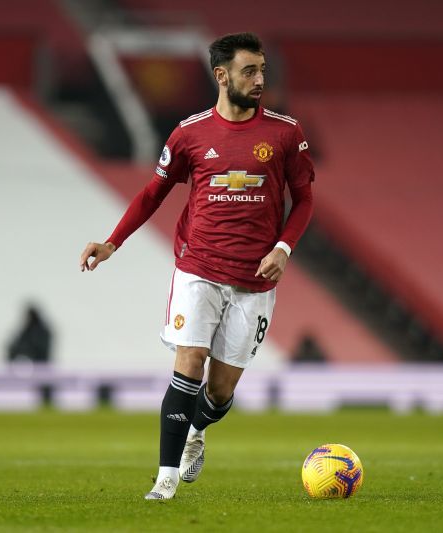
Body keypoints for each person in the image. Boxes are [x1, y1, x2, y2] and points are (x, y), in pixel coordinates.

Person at [79, 32, 314, 500]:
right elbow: (153, 193)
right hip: (198, 267)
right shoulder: (189, 134)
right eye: (250, 71)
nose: (259, 79)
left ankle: (196, 431)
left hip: (254, 280)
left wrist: (283, 248)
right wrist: (111, 243)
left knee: (221, 391)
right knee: (188, 364)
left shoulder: (286, 134)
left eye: (262, 69)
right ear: (221, 75)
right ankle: (165, 481)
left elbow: (305, 199)